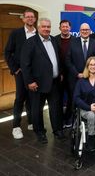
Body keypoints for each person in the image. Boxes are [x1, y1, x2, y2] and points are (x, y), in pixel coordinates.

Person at [21, 18, 65, 144]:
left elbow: (58, 58)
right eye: (44, 27)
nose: (46, 29)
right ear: (39, 28)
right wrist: (29, 81)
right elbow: (25, 64)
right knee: (37, 109)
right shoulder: (31, 42)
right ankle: (40, 132)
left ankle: (57, 130)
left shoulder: (54, 40)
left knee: (55, 108)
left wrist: (60, 72)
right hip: (37, 84)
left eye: (48, 26)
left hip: (54, 82)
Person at [4, 9, 36, 139]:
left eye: (32, 17)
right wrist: (15, 69)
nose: (29, 19)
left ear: (34, 19)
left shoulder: (38, 33)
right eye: (27, 17)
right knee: (20, 98)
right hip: (21, 72)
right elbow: (8, 52)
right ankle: (16, 126)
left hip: (35, 73)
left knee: (31, 98)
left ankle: (31, 122)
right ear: (23, 19)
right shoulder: (16, 33)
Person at [73, 56, 95, 150]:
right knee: (91, 115)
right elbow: (76, 98)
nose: (93, 66)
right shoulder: (81, 81)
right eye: (91, 64)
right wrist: (89, 107)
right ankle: (91, 139)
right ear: (87, 66)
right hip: (85, 108)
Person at [65, 23, 95, 106]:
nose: (85, 31)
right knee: (73, 101)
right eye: (83, 30)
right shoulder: (72, 42)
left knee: (89, 101)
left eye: (87, 30)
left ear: (90, 31)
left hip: (91, 78)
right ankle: (73, 118)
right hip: (75, 78)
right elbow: (68, 60)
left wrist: (90, 73)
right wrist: (77, 74)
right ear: (80, 31)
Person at [55, 20, 75, 128]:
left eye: (67, 27)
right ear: (60, 28)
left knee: (72, 98)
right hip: (59, 74)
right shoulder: (54, 40)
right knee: (58, 98)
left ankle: (68, 118)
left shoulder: (75, 40)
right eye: (63, 27)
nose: (65, 28)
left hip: (72, 74)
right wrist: (59, 73)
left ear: (70, 28)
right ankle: (60, 120)